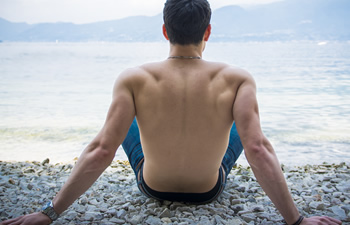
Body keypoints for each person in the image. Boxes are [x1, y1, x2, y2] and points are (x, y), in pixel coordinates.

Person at [1, 0, 342, 224]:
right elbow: (257, 149)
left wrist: (49, 212)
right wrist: (297, 221)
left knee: (124, 123)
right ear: (207, 31)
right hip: (209, 189)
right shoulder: (237, 79)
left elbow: (102, 149)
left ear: (165, 31)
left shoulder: (134, 78)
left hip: (152, 186)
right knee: (243, 129)